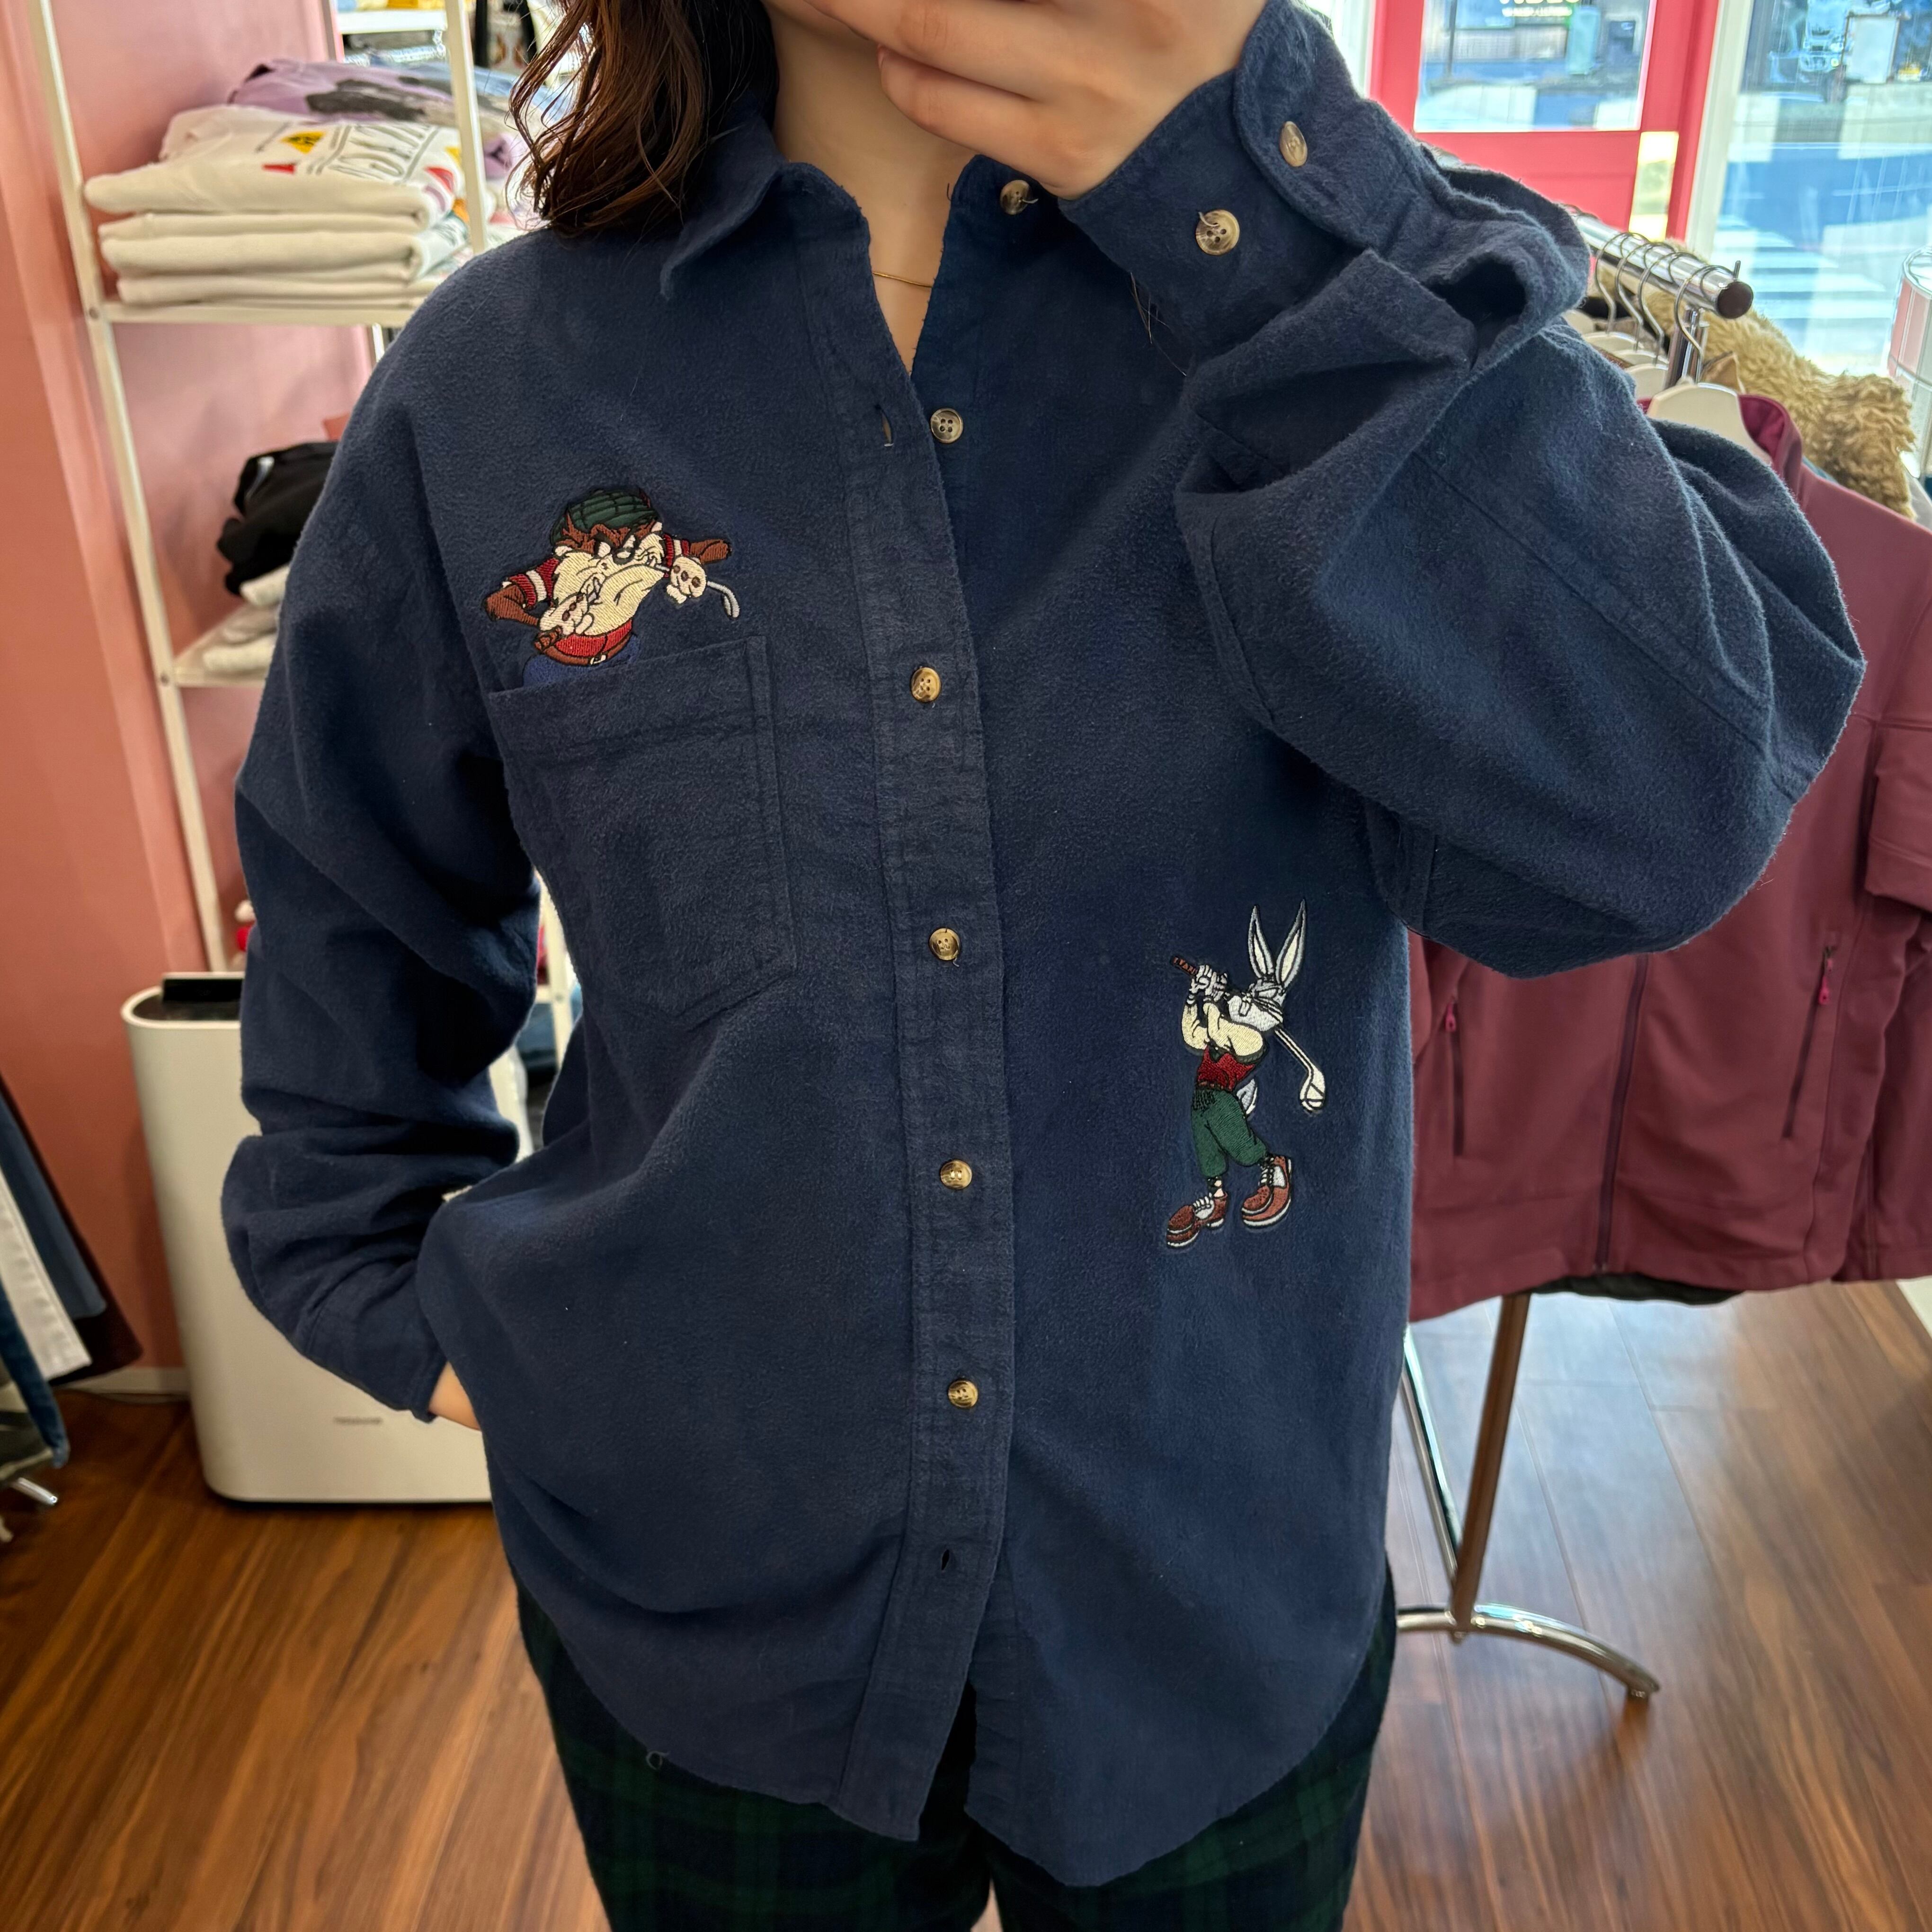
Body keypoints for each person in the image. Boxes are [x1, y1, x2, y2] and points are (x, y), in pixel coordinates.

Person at [221, 0, 1862, 1924]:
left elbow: (1671, 807)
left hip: (1211, 1605)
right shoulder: (497, 384)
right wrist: (411, 1308)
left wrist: (1259, 195)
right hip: (705, 1620)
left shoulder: (1371, 316)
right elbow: (352, 901)